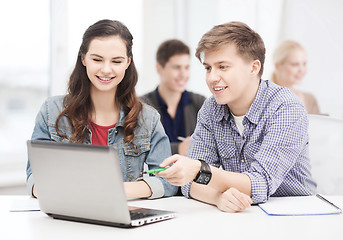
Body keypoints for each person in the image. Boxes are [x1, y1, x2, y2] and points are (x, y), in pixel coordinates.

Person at [155, 21, 317, 212]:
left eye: (222, 67)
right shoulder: (211, 108)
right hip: (243, 213)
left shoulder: (285, 107)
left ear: (253, 68)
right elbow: (191, 184)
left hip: (297, 213)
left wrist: (200, 170)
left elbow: (260, 183)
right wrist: (218, 197)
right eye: (208, 68)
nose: (212, 78)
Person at [26, 19, 178, 199]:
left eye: (116, 61)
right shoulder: (52, 111)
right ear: (83, 58)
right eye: (97, 59)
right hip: (68, 217)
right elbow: (35, 177)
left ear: (128, 62)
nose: (106, 69)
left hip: (123, 218)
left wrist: (113, 190)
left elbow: (167, 181)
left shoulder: (148, 119)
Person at [141, 39, 206, 156]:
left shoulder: (199, 103)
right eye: (177, 67)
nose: (183, 74)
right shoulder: (142, 105)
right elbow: (140, 148)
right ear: (159, 69)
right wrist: (179, 148)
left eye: (186, 67)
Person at [271, 40, 320, 114]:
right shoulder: (263, 97)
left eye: (304, 64)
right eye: (295, 64)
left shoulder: (310, 100)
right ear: (277, 66)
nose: (302, 70)